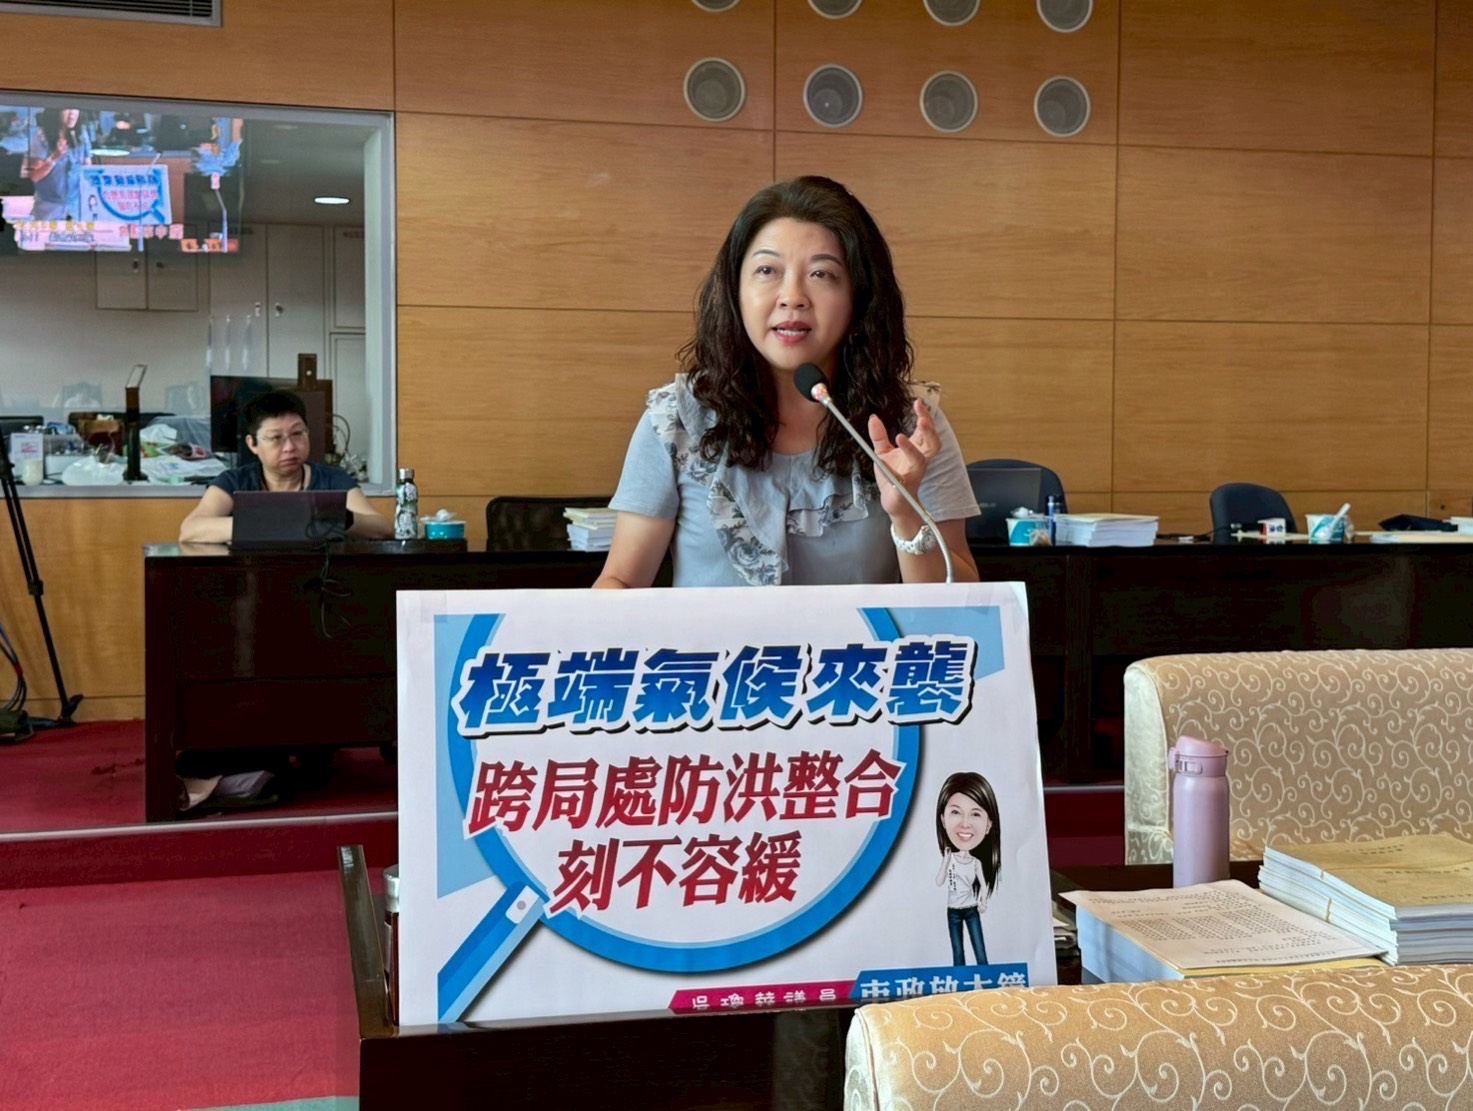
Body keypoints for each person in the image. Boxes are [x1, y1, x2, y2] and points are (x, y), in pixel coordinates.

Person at [594, 175, 979, 590]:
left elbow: (961, 602)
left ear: (859, 297)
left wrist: (906, 514)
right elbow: (621, 582)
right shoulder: (677, 420)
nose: (792, 296)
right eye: (767, 270)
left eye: (821, 274)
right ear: (735, 290)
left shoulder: (911, 427)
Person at [179, 389, 391, 542]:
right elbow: (190, 530)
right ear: (252, 444)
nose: (290, 447)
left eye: (297, 434)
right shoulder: (234, 481)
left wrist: (339, 518)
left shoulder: (333, 479)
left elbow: (382, 529)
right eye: (276, 438)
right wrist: (276, 522)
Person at [935, 771, 1002, 966]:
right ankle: (958, 985)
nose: (965, 824)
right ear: (943, 819)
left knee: (980, 952)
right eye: (956, 812)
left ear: (988, 825)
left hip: (971, 909)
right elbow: (939, 881)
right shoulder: (949, 858)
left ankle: (988, 983)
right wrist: (945, 861)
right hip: (953, 911)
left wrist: (983, 901)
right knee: (958, 954)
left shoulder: (976, 862)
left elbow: (982, 884)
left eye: (975, 814)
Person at [22, 107, 91, 221]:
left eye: (76, 109)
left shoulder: (81, 134)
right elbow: (34, 176)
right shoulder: (41, 136)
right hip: (49, 208)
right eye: (67, 109)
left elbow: (88, 167)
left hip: (76, 206)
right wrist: (55, 157)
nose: (72, 114)